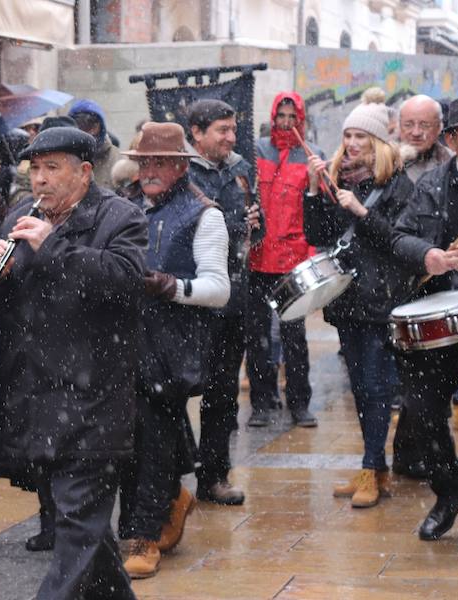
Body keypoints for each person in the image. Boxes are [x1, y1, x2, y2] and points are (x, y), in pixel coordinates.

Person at [0, 126, 147, 599]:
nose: (40, 180)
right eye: (34, 169)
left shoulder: (120, 216)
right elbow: (15, 306)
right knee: (84, 527)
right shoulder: (19, 215)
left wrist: (52, 247)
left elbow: (125, 280)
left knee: (77, 523)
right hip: (37, 395)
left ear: (85, 172)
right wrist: (0, 276)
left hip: (95, 397)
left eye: (53, 168)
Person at [119, 122, 231, 579]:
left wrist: (170, 286)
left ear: (182, 166)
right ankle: (170, 499)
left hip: (173, 346)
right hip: (126, 342)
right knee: (139, 435)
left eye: (160, 162)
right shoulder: (124, 205)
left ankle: (142, 533)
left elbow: (219, 288)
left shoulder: (205, 214)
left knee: (152, 438)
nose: (149, 170)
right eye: (144, 161)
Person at [303, 101, 414, 508]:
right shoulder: (338, 178)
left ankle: (372, 468)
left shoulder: (399, 184)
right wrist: (315, 191)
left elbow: (400, 243)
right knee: (360, 388)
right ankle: (374, 468)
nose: (350, 144)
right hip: (347, 296)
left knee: (376, 387)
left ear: (377, 141)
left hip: (381, 298)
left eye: (360, 137)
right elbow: (316, 233)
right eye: (347, 135)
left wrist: (362, 212)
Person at [390, 95, 458, 553]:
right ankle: (449, 491)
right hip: (439, 310)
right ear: (453, 139)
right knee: (421, 410)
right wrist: (430, 255)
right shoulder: (433, 185)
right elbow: (401, 236)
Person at [185, 99, 263, 505]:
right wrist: (234, 227)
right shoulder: (181, 171)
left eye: (233, 129)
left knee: (222, 393)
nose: (231, 138)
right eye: (222, 130)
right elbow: (194, 229)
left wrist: (254, 222)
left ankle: (214, 475)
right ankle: (166, 481)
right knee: (173, 390)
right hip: (191, 302)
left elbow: (255, 228)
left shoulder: (239, 169)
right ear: (197, 133)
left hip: (234, 299)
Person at [249, 91, 323, 427]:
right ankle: (262, 402)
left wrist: (315, 183)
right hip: (259, 258)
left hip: (292, 260)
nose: (287, 122)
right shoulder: (257, 152)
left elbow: (318, 211)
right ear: (274, 115)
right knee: (258, 337)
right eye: (282, 116)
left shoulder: (311, 156)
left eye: (293, 117)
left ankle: (299, 402)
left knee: (295, 338)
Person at [68, 99, 122, 188]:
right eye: (81, 125)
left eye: (92, 125)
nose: (88, 133)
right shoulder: (64, 158)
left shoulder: (116, 159)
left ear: (101, 127)